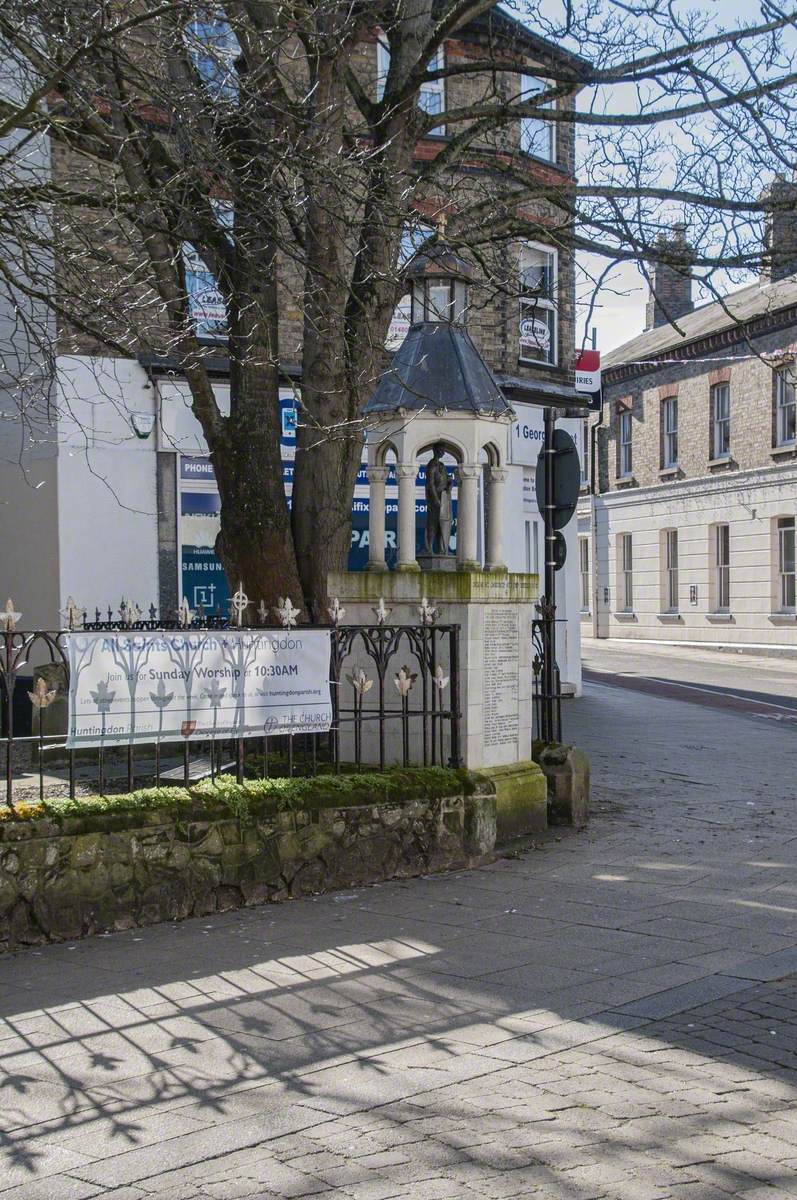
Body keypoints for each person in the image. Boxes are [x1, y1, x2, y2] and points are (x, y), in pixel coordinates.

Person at [424, 443, 453, 555]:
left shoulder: (442, 466)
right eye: (441, 450)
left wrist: (449, 483)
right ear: (436, 451)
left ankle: (442, 548)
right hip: (435, 499)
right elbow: (430, 484)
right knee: (433, 523)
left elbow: (445, 481)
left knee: (443, 524)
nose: (443, 453)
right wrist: (435, 499)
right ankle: (430, 548)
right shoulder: (432, 465)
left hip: (444, 497)